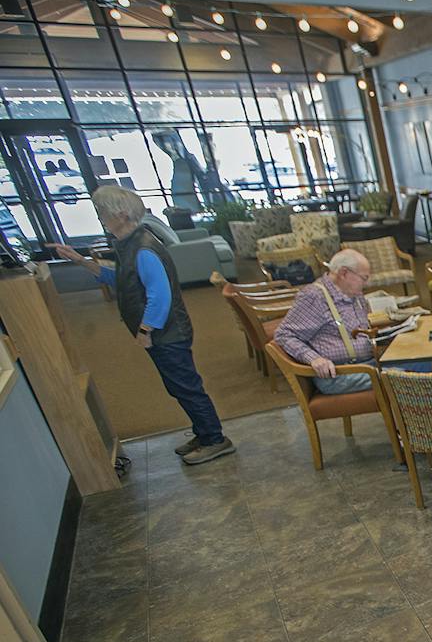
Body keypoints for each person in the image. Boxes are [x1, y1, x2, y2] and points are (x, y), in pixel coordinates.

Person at [55, 185, 233, 465]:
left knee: (186, 386)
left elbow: (159, 295)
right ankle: (205, 432)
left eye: (104, 213)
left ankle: (215, 439)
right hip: (165, 332)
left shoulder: (144, 248)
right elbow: (121, 281)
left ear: (122, 215)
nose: (101, 219)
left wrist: (145, 329)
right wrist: (81, 261)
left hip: (167, 332)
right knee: (178, 386)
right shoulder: (130, 245)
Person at [274, 248, 381, 394]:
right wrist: (314, 359)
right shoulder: (315, 296)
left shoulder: (354, 294)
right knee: (402, 376)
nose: (366, 283)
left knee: (414, 364)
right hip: (338, 375)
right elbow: (284, 334)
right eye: (364, 278)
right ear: (344, 273)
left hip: (365, 364)